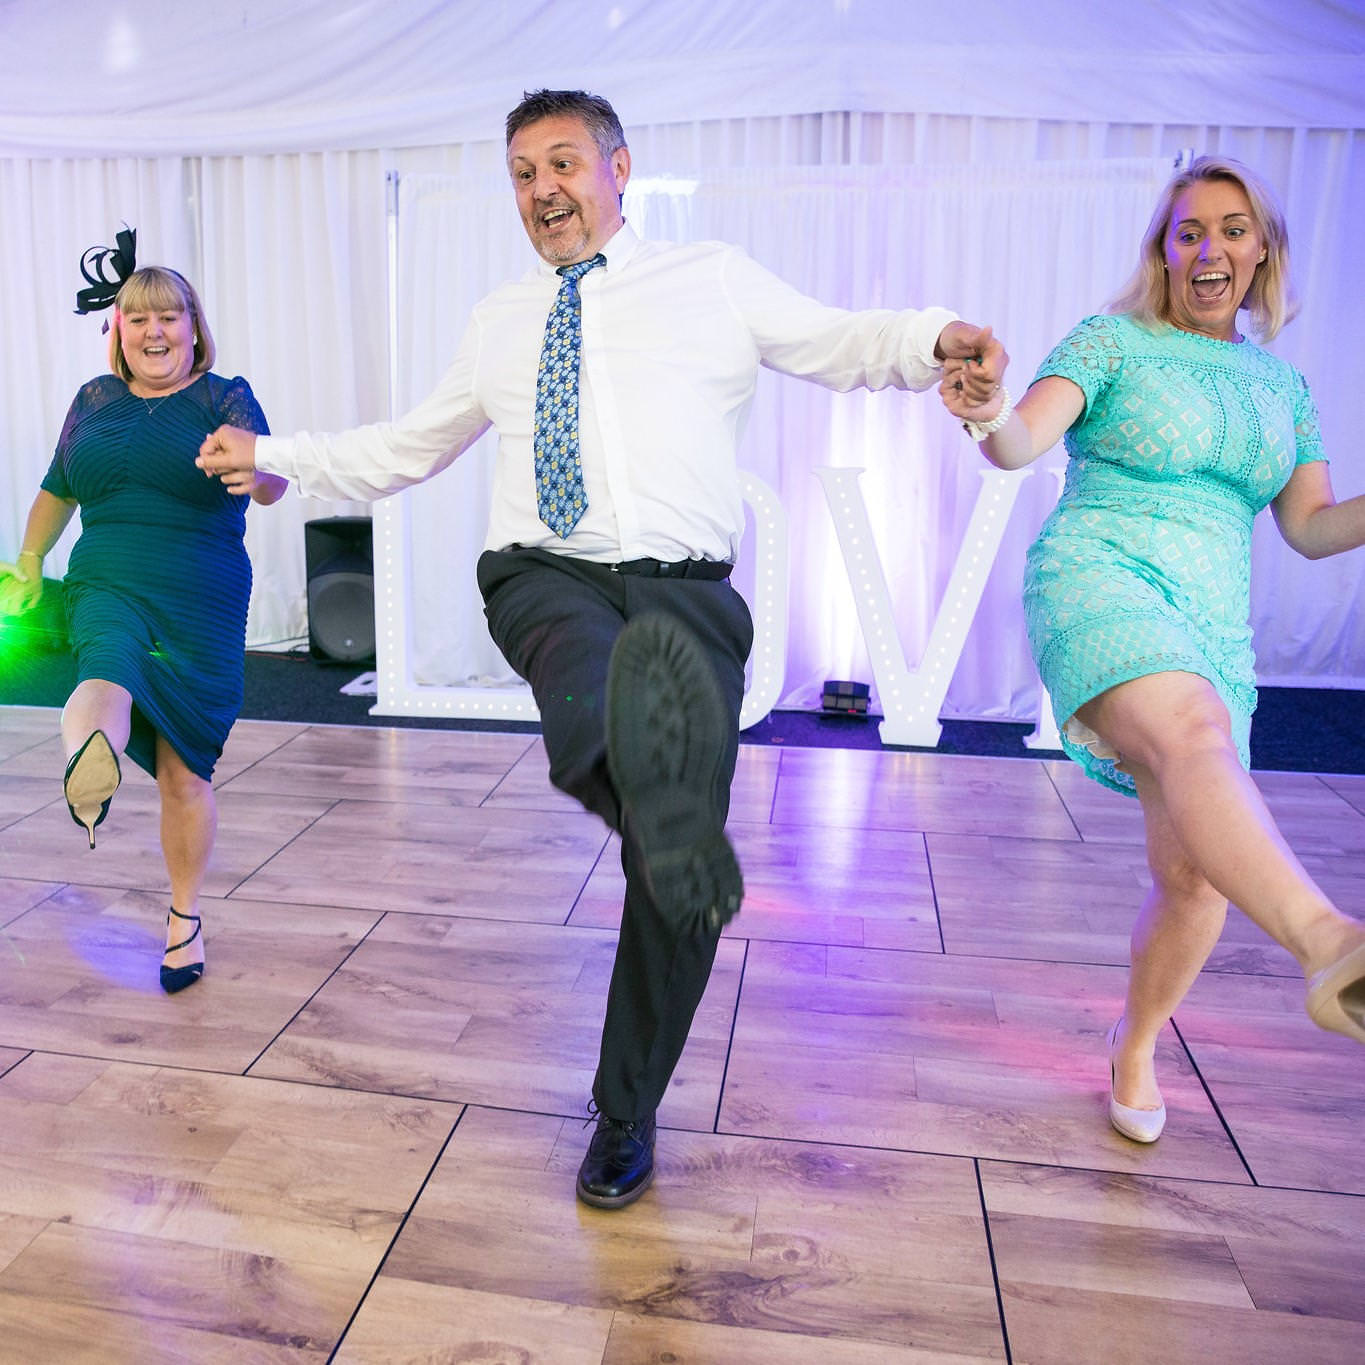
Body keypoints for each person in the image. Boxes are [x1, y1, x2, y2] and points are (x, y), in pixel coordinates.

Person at [196, 88, 1005, 1207]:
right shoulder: (498, 320)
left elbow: (839, 342)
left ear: (621, 170)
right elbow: (412, 445)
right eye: (523, 174)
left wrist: (935, 342)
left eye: (563, 164)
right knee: (600, 711)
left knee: (668, 874)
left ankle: (627, 1112)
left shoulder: (711, 277)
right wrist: (280, 455)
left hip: (688, 598)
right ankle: (673, 824)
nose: (543, 192)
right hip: (547, 579)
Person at [940, 155, 1365, 1144]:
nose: (1208, 248)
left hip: (1213, 619)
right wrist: (990, 408)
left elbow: (1310, 528)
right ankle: (1333, 944)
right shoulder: (1111, 341)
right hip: (1101, 576)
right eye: (1188, 231)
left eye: (1230, 229)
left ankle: (1136, 1041)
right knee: (1190, 729)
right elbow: (1019, 441)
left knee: (1196, 879)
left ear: (1261, 251)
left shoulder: (1283, 388)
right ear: (1163, 250)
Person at [0, 234, 286, 993]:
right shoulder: (92, 400)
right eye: (137, 318)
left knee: (182, 771)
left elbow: (274, 482)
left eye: (169, 316)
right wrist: (29, 563)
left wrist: (251, 467)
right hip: (107, 575)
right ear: (117, 331)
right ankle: (86, 761)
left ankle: (184, 918)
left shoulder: (224, 394)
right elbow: (57, 487)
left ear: (194, 327)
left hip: (201, 591)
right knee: (106, 662)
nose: (153, 331)